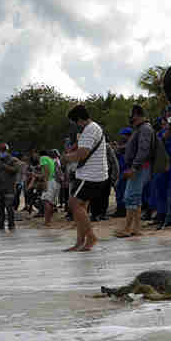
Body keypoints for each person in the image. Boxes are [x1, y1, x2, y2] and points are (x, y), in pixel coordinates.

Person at [61, 103, 111, 251]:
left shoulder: (90, 129)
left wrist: (66, 158)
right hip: (93, 174)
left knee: (74, 204)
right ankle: (80, 241)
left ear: (79, 119)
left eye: (74, 122)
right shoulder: (93, 128)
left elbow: (83, 153)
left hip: (90, 175)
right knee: (80, 207)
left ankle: (91, 237)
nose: (75, 125)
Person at [117, 105, 156, 237]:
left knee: (131, 197)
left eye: (131, 115)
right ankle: (136, 228)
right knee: (135, 198)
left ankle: (128, 229)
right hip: (140, 167)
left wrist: (134, 168)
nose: (130, 118)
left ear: (136, 115)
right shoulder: (142, 128)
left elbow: (143, 150)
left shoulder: (144, 128)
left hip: (139, 168)